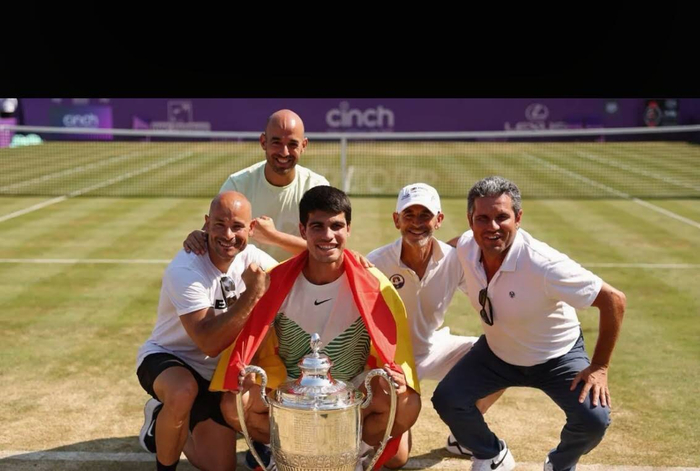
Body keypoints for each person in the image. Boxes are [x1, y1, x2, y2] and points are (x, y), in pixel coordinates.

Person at [210, 186, 422, 469]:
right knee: (233, 404)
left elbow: (394, 355)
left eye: (336, 226)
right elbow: (252, 345)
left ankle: (350, 453)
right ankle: (285, 451)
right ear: (303, 230)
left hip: (352, 393)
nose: (327, 235)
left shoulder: (375, 285)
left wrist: (393, 379)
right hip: (290, 393)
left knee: (407, 406)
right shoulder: (276, 281)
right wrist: (245, 373)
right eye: (317, 226)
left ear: (348, 229)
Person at [431, 176, 626, 471]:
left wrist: (599, 366)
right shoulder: (467, 245)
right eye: (482, 218)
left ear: (518, 218)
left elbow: (614, 300)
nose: (492, 227)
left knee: (593, 420)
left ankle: (559, 463)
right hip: (497, 353)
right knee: (448, 399)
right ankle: (489, 451)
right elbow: (450, 249)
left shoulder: (543, 264)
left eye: (502, 217)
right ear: (471, 220)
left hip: (557, 357)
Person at [136, 191, 276, 471]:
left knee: (220, 466)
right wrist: (252, 294)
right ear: (206, 223)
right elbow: (208, 343)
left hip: (216, 374)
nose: (228, 234)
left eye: (237, 226)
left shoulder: (252, 257)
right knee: (182, 391)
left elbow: (305, 265)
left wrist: (351, 260)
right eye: (219, 224)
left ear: (250, 228)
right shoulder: (185, 268)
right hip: (171, 359)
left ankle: (165, 419)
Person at [366, 183, 503, 458]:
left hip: (433, 347)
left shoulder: (455, 259)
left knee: (504, 356)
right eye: (409, 215)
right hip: (391, 360)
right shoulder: (376, 262)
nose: (417, 223)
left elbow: (486, 298)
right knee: (397, 458)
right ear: (396, 220)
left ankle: (464, 434)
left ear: (438, 220)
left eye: (425, 215)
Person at [183, 109, 329, 262]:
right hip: (248, 276)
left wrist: (274, 237)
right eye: (276, 142)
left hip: (299, 276)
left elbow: (326, 249)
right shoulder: (237, 184)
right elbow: (212, 234)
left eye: (292, 144)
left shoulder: (318, 188)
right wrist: (199, 238)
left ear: (303, 145)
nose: (284, 152)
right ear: (263, 142)